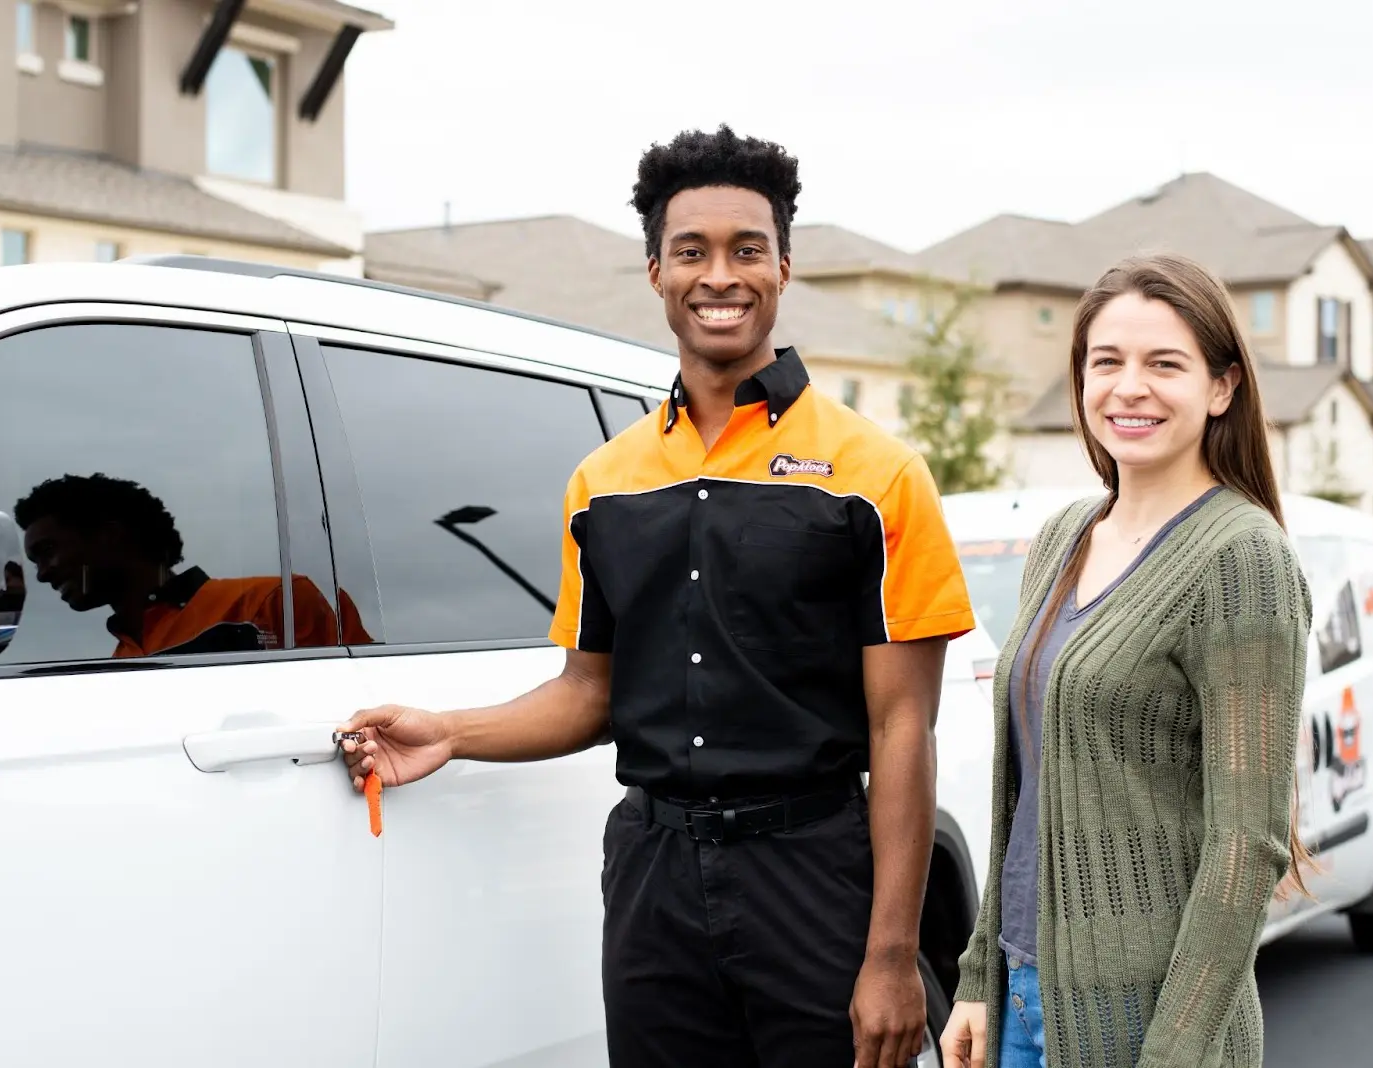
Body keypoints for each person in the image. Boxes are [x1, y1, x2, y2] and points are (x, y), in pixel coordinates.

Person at [337, 125, 976, 1068]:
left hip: (813, 871)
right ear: (656, 273)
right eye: (692, 252)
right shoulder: (604, 482)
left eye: (746, 250)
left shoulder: (875, 475)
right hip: (652, 879)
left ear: (784, 267)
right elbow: (587, 695)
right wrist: (450, 731)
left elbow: (902, 732)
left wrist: (891, 956)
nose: (721, 275)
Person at [939, 253, 1313, 1068]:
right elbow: (1025, 794)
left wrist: (1171, 1054)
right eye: (1106, 362)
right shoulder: (1064, 538)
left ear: (1221, 388)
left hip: (1144, 1025)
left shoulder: (1242, 557)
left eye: (1164, 364)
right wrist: (976, 977)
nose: (1128, 387)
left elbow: (1247, 843)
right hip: (1021, 997)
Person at [13, 472, 362, 656]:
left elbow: (363, 714)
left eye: (48, 551)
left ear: (110, 535)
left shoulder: (273, 601)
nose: (42, 574)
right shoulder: (121, 658)